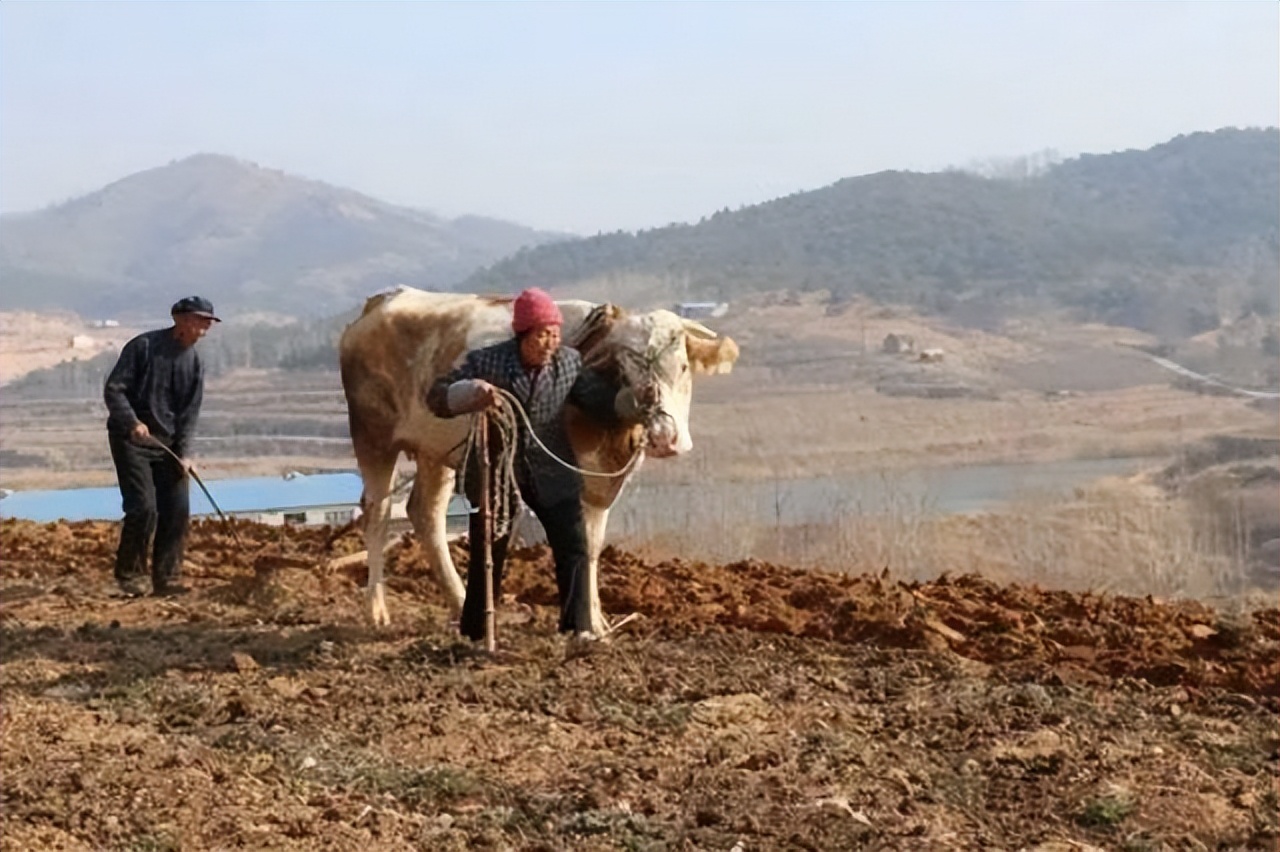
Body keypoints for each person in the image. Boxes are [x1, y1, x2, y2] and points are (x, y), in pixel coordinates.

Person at [425, 288, 643, 642]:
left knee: (574, 545)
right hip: (497, 470)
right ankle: (477, 633)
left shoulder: (569, 363)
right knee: (487, 549)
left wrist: (635, 404)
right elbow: (437, 395)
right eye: (542, 335)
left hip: (552, 471)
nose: (549, 343)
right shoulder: (488, 362)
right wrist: (469, 392)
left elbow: (601, 402)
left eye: (554, 334)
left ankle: (577, 629)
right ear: (523, 334)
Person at [103, 296, 219, 598]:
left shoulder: (194, 364)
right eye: (199, 320)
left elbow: (189, 413)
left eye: (208, 323)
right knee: (143, 508)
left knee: (177, 510)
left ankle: (166, 579)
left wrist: (186, 453)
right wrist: (131, 421)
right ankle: (131, 576)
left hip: (168, 444)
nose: (204, 328)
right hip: (132, 440)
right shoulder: (143, 347)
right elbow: (115, 390)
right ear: (179, 319)